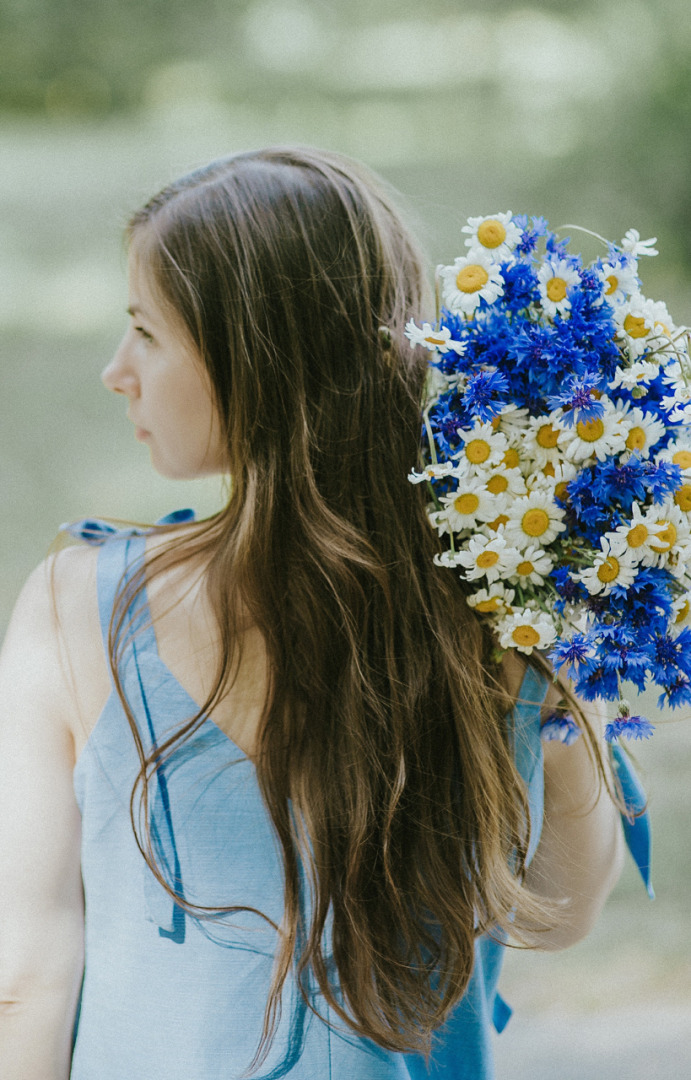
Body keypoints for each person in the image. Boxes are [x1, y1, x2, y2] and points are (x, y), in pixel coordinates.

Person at [0, 147, 628, 1080]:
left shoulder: (73, 607)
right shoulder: (489, 616)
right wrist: (553, 646)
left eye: (147, 332)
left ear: (251, 361)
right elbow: (560, 911)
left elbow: (27, 975)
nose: (115, 371)